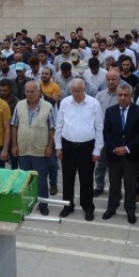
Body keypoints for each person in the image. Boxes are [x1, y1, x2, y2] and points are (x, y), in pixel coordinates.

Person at [54, 78, 104, 221]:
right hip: (68, 146)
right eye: (73, 91)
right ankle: (67, 205)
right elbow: (59, 125)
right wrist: (58, 146)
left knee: (86, 179)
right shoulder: (65, 102)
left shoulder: (94, 103)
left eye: (79, 91)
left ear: (85, 89)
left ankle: (88, 207)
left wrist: (97, 150)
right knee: (67, 178)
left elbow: (99, 127)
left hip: (87, 146)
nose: (76, 94)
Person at [101, 82, 139, 224]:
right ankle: (112, 207)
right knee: (114, 184)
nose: (123, 98)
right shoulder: (110, 111)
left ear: (132, 96)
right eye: (120, 95)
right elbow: (106, 132)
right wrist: (114, 148)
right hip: (114, 155)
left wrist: (127, 148)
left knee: (130, 185)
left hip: (131, 155)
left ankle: (130, 209)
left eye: (126, 95)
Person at [11, 80, 56, 216]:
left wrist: (50, 147)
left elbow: (52, 128)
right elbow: (14, 126)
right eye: (27, 92)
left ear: (39, 92)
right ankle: (27, 204)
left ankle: (43, 204)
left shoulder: (48, 106)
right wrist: (14, 145)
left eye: (33, 91)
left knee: (41, 180)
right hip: (23, 149)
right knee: (26, 179)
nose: (30, 94)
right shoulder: (19, 105)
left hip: (40, 150)